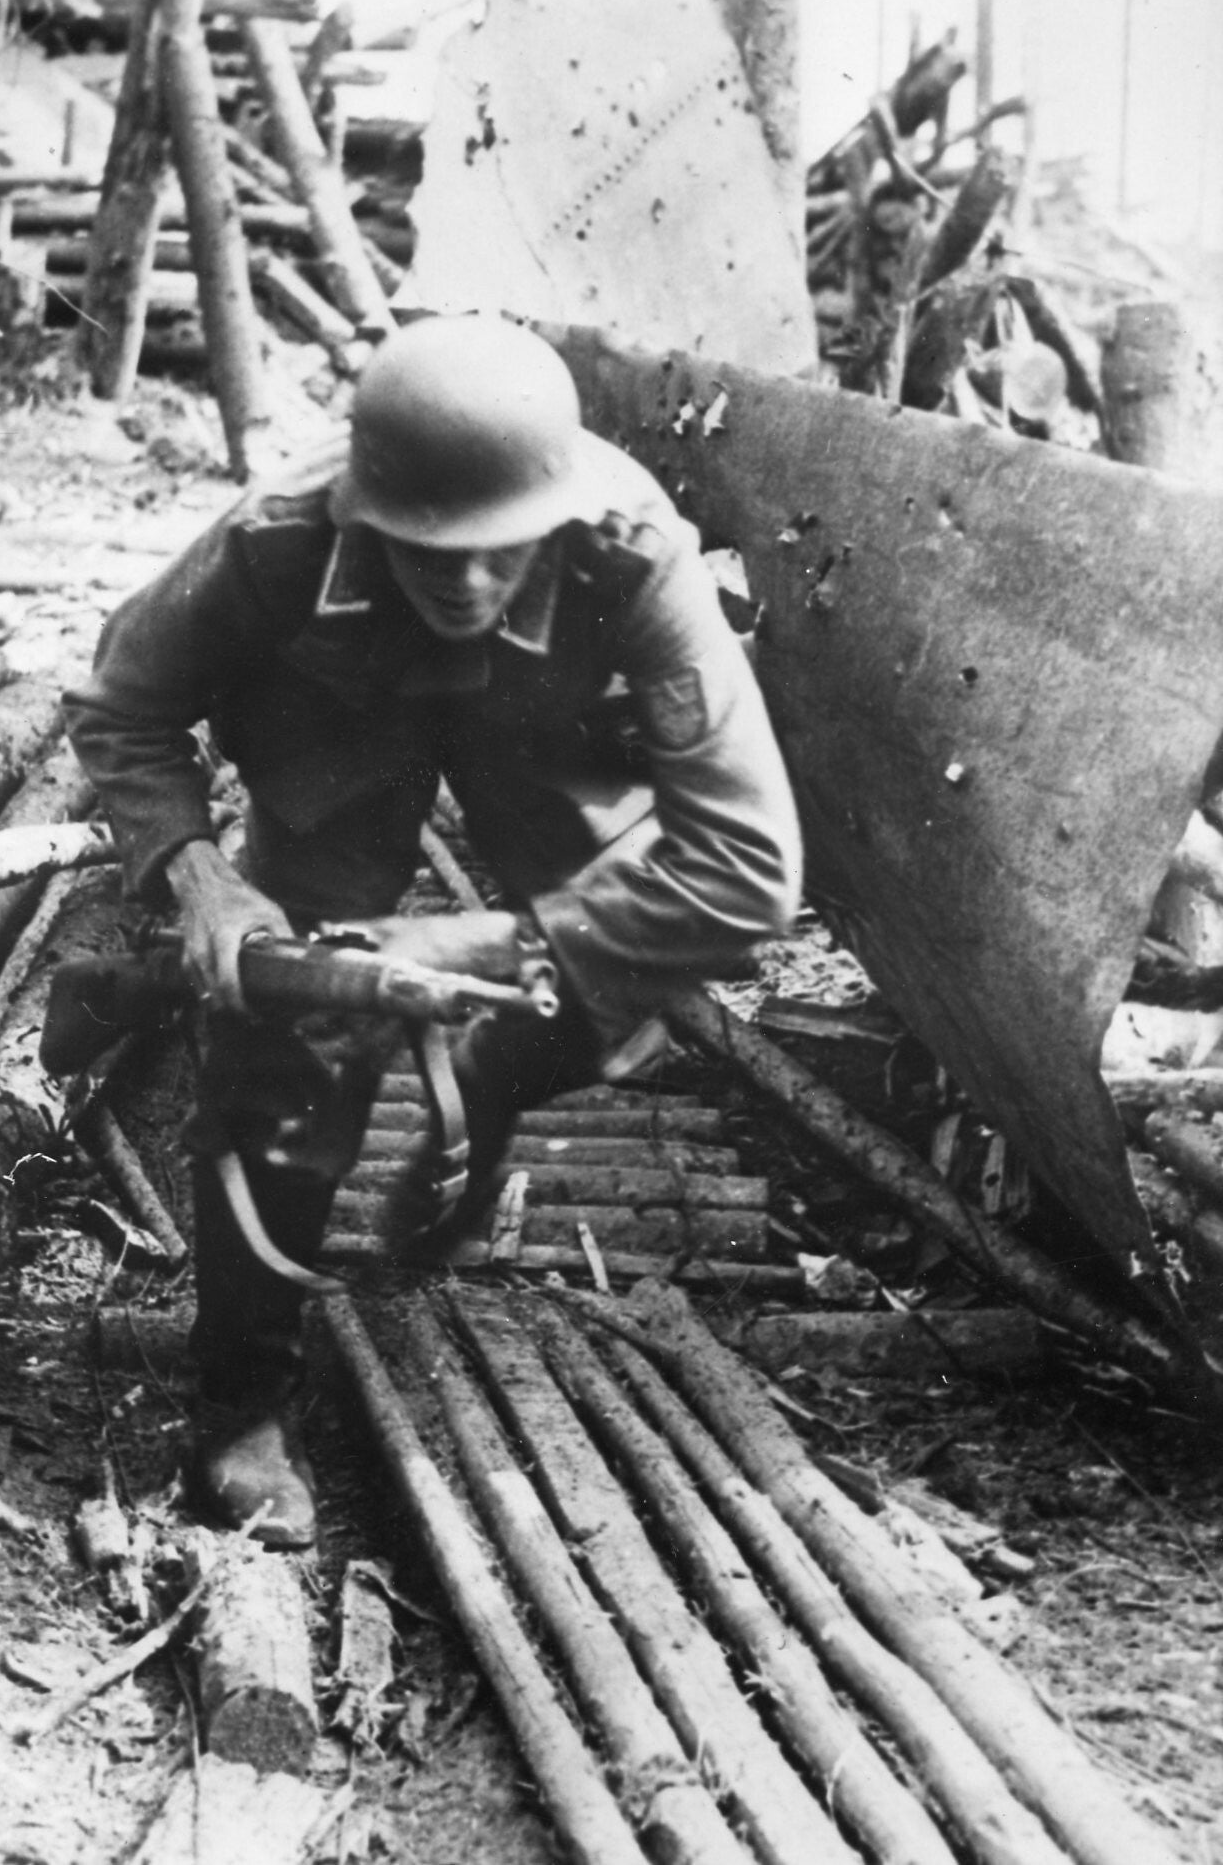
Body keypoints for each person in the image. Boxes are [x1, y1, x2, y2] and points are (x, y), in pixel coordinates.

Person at [63, 314, 803, 1547]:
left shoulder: (629, 551)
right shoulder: (278, 535)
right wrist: (205, 885)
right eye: (427, 549)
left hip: (543, 745)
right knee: (283, 1048)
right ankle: (241, 1403)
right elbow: (119, 707)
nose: (463, 579)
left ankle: (489, 1077)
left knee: (596, 983)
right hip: (338, 737)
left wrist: (488, 945)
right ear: (367, 513)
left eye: (498, 550)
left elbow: (752, 865)